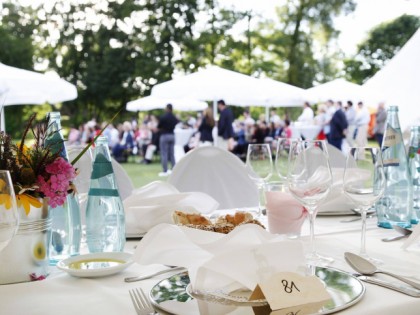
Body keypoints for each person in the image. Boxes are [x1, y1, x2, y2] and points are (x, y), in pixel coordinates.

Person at [157, 104, 178, 176]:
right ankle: (174, 169)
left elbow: (159, 126)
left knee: (164, 153)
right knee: (172, 154)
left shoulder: (163, 117)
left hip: (164, 135)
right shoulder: (174, 117)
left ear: (167, 108)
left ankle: (165, 170)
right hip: (172, 135)